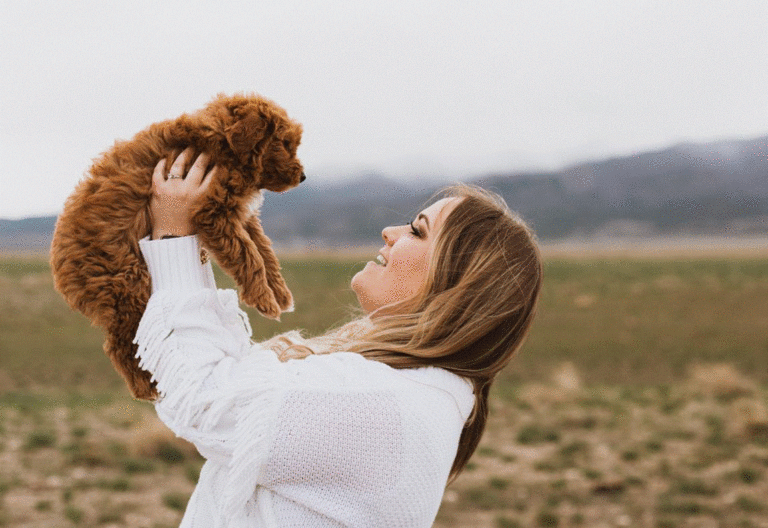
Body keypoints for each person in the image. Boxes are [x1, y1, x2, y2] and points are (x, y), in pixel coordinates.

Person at [135, 147, 542, 528]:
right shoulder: (420, 394)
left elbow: (208, 397)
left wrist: (174, 236)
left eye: (418, 232)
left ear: (455, 283)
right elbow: (241, 387)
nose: (390, 231)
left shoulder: (380, 406)